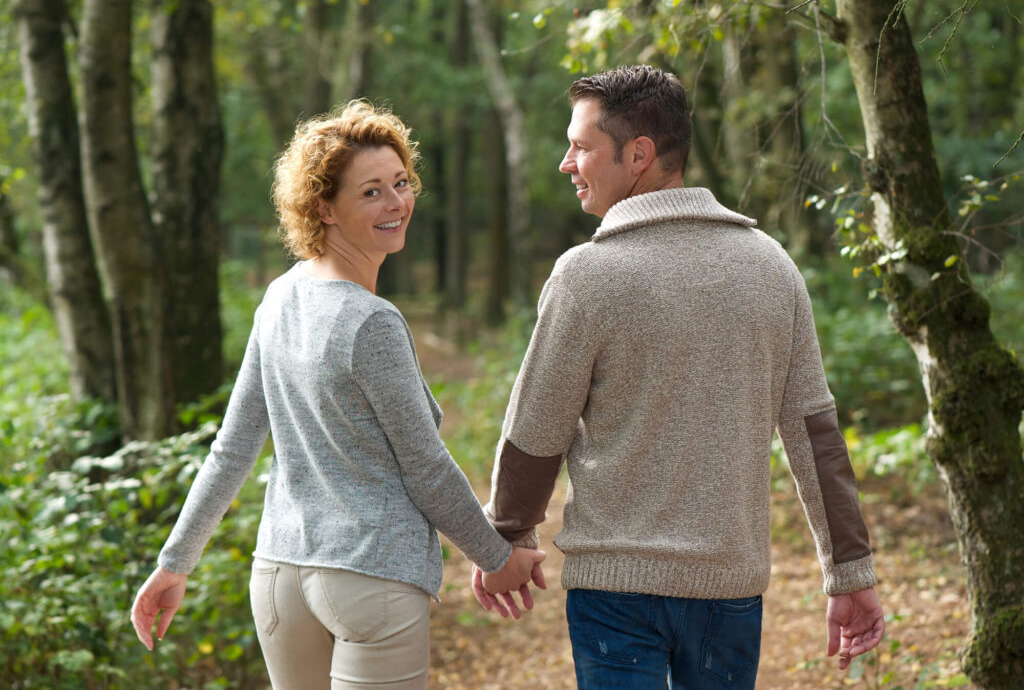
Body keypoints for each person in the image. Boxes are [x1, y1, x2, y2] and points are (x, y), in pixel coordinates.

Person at [470, 65, 885, 689]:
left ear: (638, 155)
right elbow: (815, 437)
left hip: (614, 590)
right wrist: (850, 574)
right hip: (729, 592)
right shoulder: (771, 267)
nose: (566, 163)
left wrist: (507, 537)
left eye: (581, 147)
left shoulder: (586, 276)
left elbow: (536, 428)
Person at [131, 100, 544, 690]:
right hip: (368, 581)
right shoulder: (370, 321)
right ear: (323, 206)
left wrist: (176, 562)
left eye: (401, 183)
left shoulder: (280, 296)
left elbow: (233, 449)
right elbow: (424, 468)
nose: (397, 203)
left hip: (279, 577)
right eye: (371, 192)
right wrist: (496, 558)